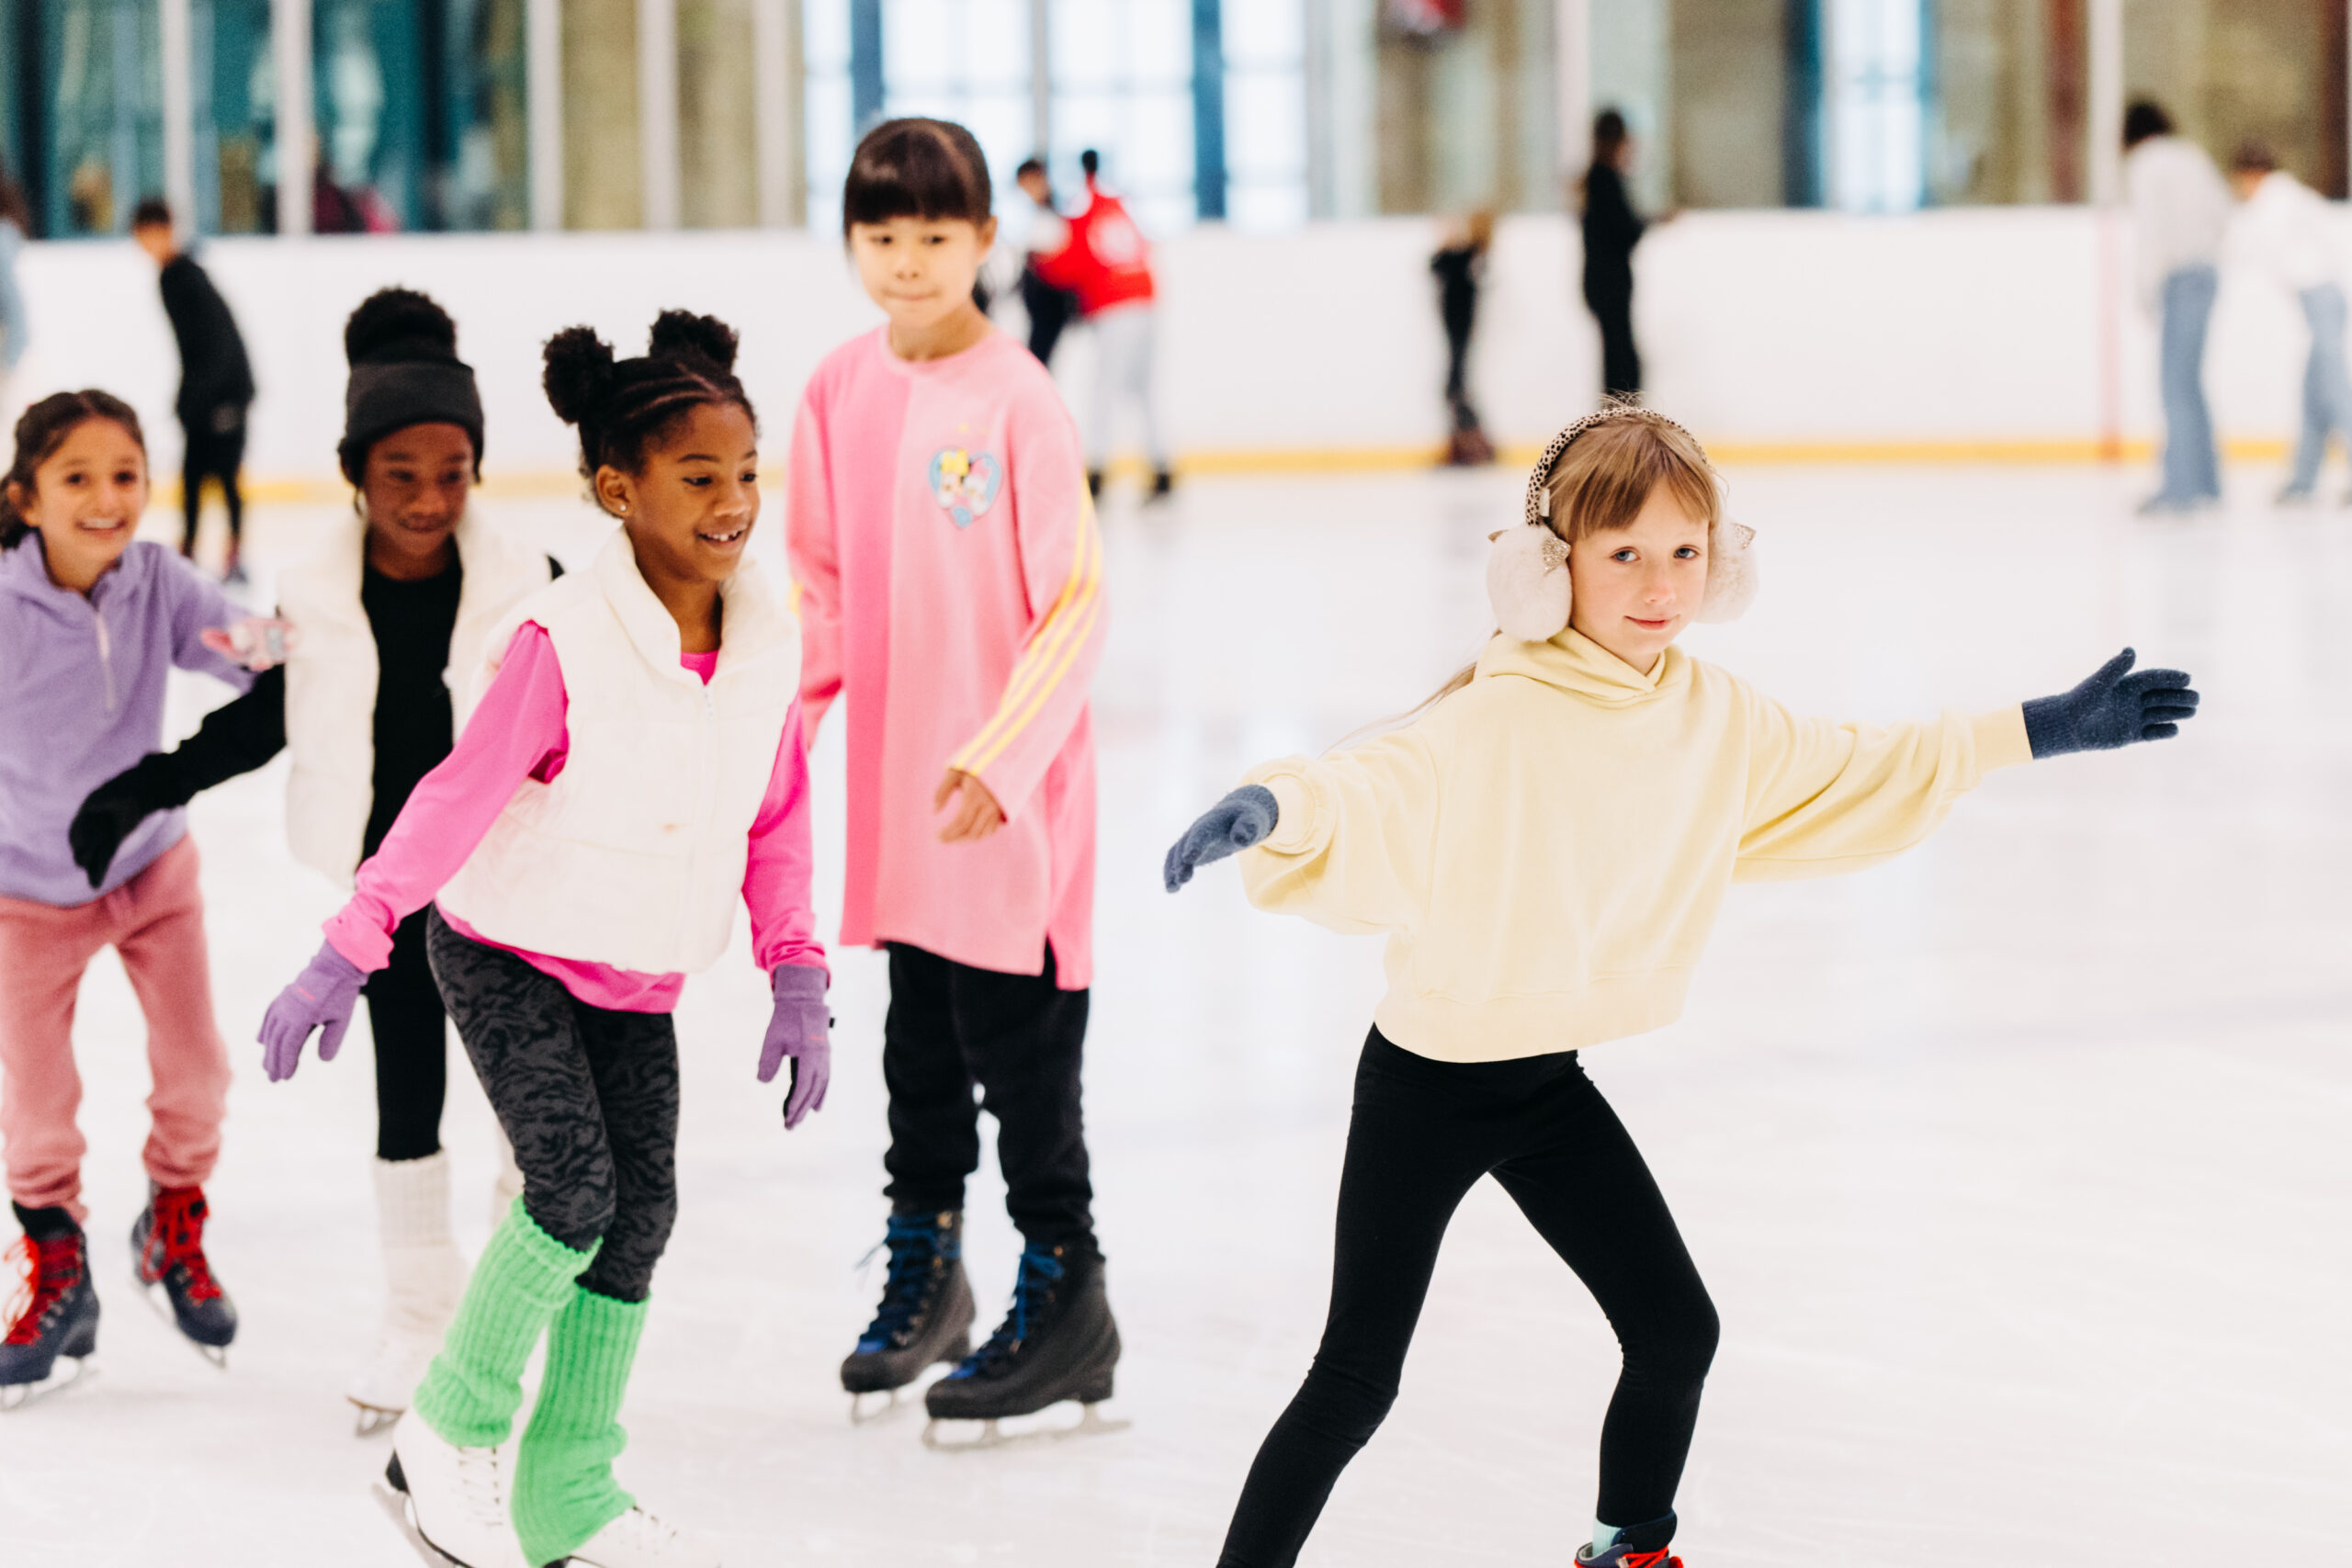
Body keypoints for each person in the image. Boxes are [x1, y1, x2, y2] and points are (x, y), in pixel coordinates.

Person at [1163, 404, 2202, 1568]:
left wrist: (2039, 729)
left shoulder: (1711, 715)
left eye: (1686, 553)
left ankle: (1630, 1551)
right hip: (1430, 1081)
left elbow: (1864, 761)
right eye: (1622, 555)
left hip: (1545, 1080)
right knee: (1356, 1376)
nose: (1659, 585)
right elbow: (1371, 782)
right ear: (1546, 570)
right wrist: (1276, 805)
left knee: (1674, 1330)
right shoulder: (1498, 712)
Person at [257, 310, 827, 1568]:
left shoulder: (765, 638)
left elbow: (776, 810)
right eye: (698, 477)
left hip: (637, 959)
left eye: (745, 472)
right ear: (617, 489)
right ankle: (442, 1430)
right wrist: (352, 939)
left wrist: (797, 966)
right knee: (567, 1192)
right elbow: (453, 795)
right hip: (508, 945)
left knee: (639, 1216)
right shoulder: (563, 638)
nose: (733, 502)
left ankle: (567, 1480)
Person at [65, 288, 557, 1431]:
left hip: (513, 893)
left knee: (528, 1112)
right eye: (402, 476)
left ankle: (510, 1318)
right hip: (384, 898)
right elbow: (262, 717)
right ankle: (417, 1318)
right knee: (408, 1097)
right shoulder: (316, 591)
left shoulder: (532, 588)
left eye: (454, 471)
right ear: (354, 474)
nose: (431, 499)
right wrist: (149, 783)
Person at [787, 117, 1119, 1436]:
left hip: (1009, 808)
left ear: (985, 240)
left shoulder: (1017, 397)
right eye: (883, 235)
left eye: (937, 235)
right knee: (917, 1051)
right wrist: (774, 727)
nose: (910, 261)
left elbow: (1077, 602)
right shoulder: (835, 390)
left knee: (1024, 1063)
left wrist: (1003, 751)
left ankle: (1067, 1285)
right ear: (853, 241)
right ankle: (928, 1272)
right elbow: (819, 585)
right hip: (904, 807)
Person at [0, 391, 256, 1406]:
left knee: (198, 1071)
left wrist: (321, 648)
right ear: (27, 497)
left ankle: (171, 1219)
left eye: (125, 477)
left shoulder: (160, 582)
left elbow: (252, 652)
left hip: (152, 871)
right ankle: (59, 1266)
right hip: (24, 891)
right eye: (78, 479)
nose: (108, 500)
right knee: (36, 1102)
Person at [1033, 148, 1171, 501]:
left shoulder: (1085, 211)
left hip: (1115, 307)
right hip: (1145, 302)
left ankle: (1096, 472)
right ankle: (1161, 467)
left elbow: (1071, 263)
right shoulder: (1121, 206)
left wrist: (1040, 263)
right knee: (1145, 389)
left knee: (1104, 390)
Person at [130, 198, 256, 581]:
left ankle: (232, 556)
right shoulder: (176, 274)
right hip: (211, 392)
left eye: (145, 236)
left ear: (162, 230)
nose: (142, 246)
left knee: (223, 473)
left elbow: (218, 343)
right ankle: (189, 551)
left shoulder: (183, 277)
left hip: (224, 394)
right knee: (194, 474)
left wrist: (204, 398)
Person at [2225, 143, 2352, 504]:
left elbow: (2252, 246)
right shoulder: (2291, 195)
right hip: (2321, 299)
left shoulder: (2275, 199)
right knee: (2314, 392)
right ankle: (2303, 480)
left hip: (2320, 297)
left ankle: (2306, 478)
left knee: (2335, 389)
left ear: (2250, 174)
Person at [2122, 101, 2231, 514]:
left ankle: (2180, 489)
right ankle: (2207, 482)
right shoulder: (2191, 155)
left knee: (2174, 385)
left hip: (2179, 276)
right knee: (2191, 382)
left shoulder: (2147, 163)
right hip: (2207, 271)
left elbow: (2152, 231)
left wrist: (2145, 290)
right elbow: (2221, 213)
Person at [1581, 110, 1654, 403]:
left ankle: (1620, 419)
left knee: (1619, 356)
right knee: (1622, 360)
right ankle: (1621, 420)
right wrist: (1646, 223)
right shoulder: (1604, 179)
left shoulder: (1599, 179)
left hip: (1604, 282)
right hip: (1609, 282)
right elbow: (1624, 229)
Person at [1431, 210, 1496, 465]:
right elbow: (1434, 263)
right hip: (1454, 332)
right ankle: (1466, 444)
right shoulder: (1452, 258)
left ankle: (1474, 444)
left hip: (1460, 331)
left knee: (1455, 389)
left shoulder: (1467, 256)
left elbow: (1443, 263)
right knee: (1454, 389)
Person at [1013, 157, 1080, 368]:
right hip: (1039, 302)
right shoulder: (1037, 214)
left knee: (1039, 362)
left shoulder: (1058, 213)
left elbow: (1057, 261)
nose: (1025, 190)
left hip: (1050, 300)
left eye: (1027, 183)